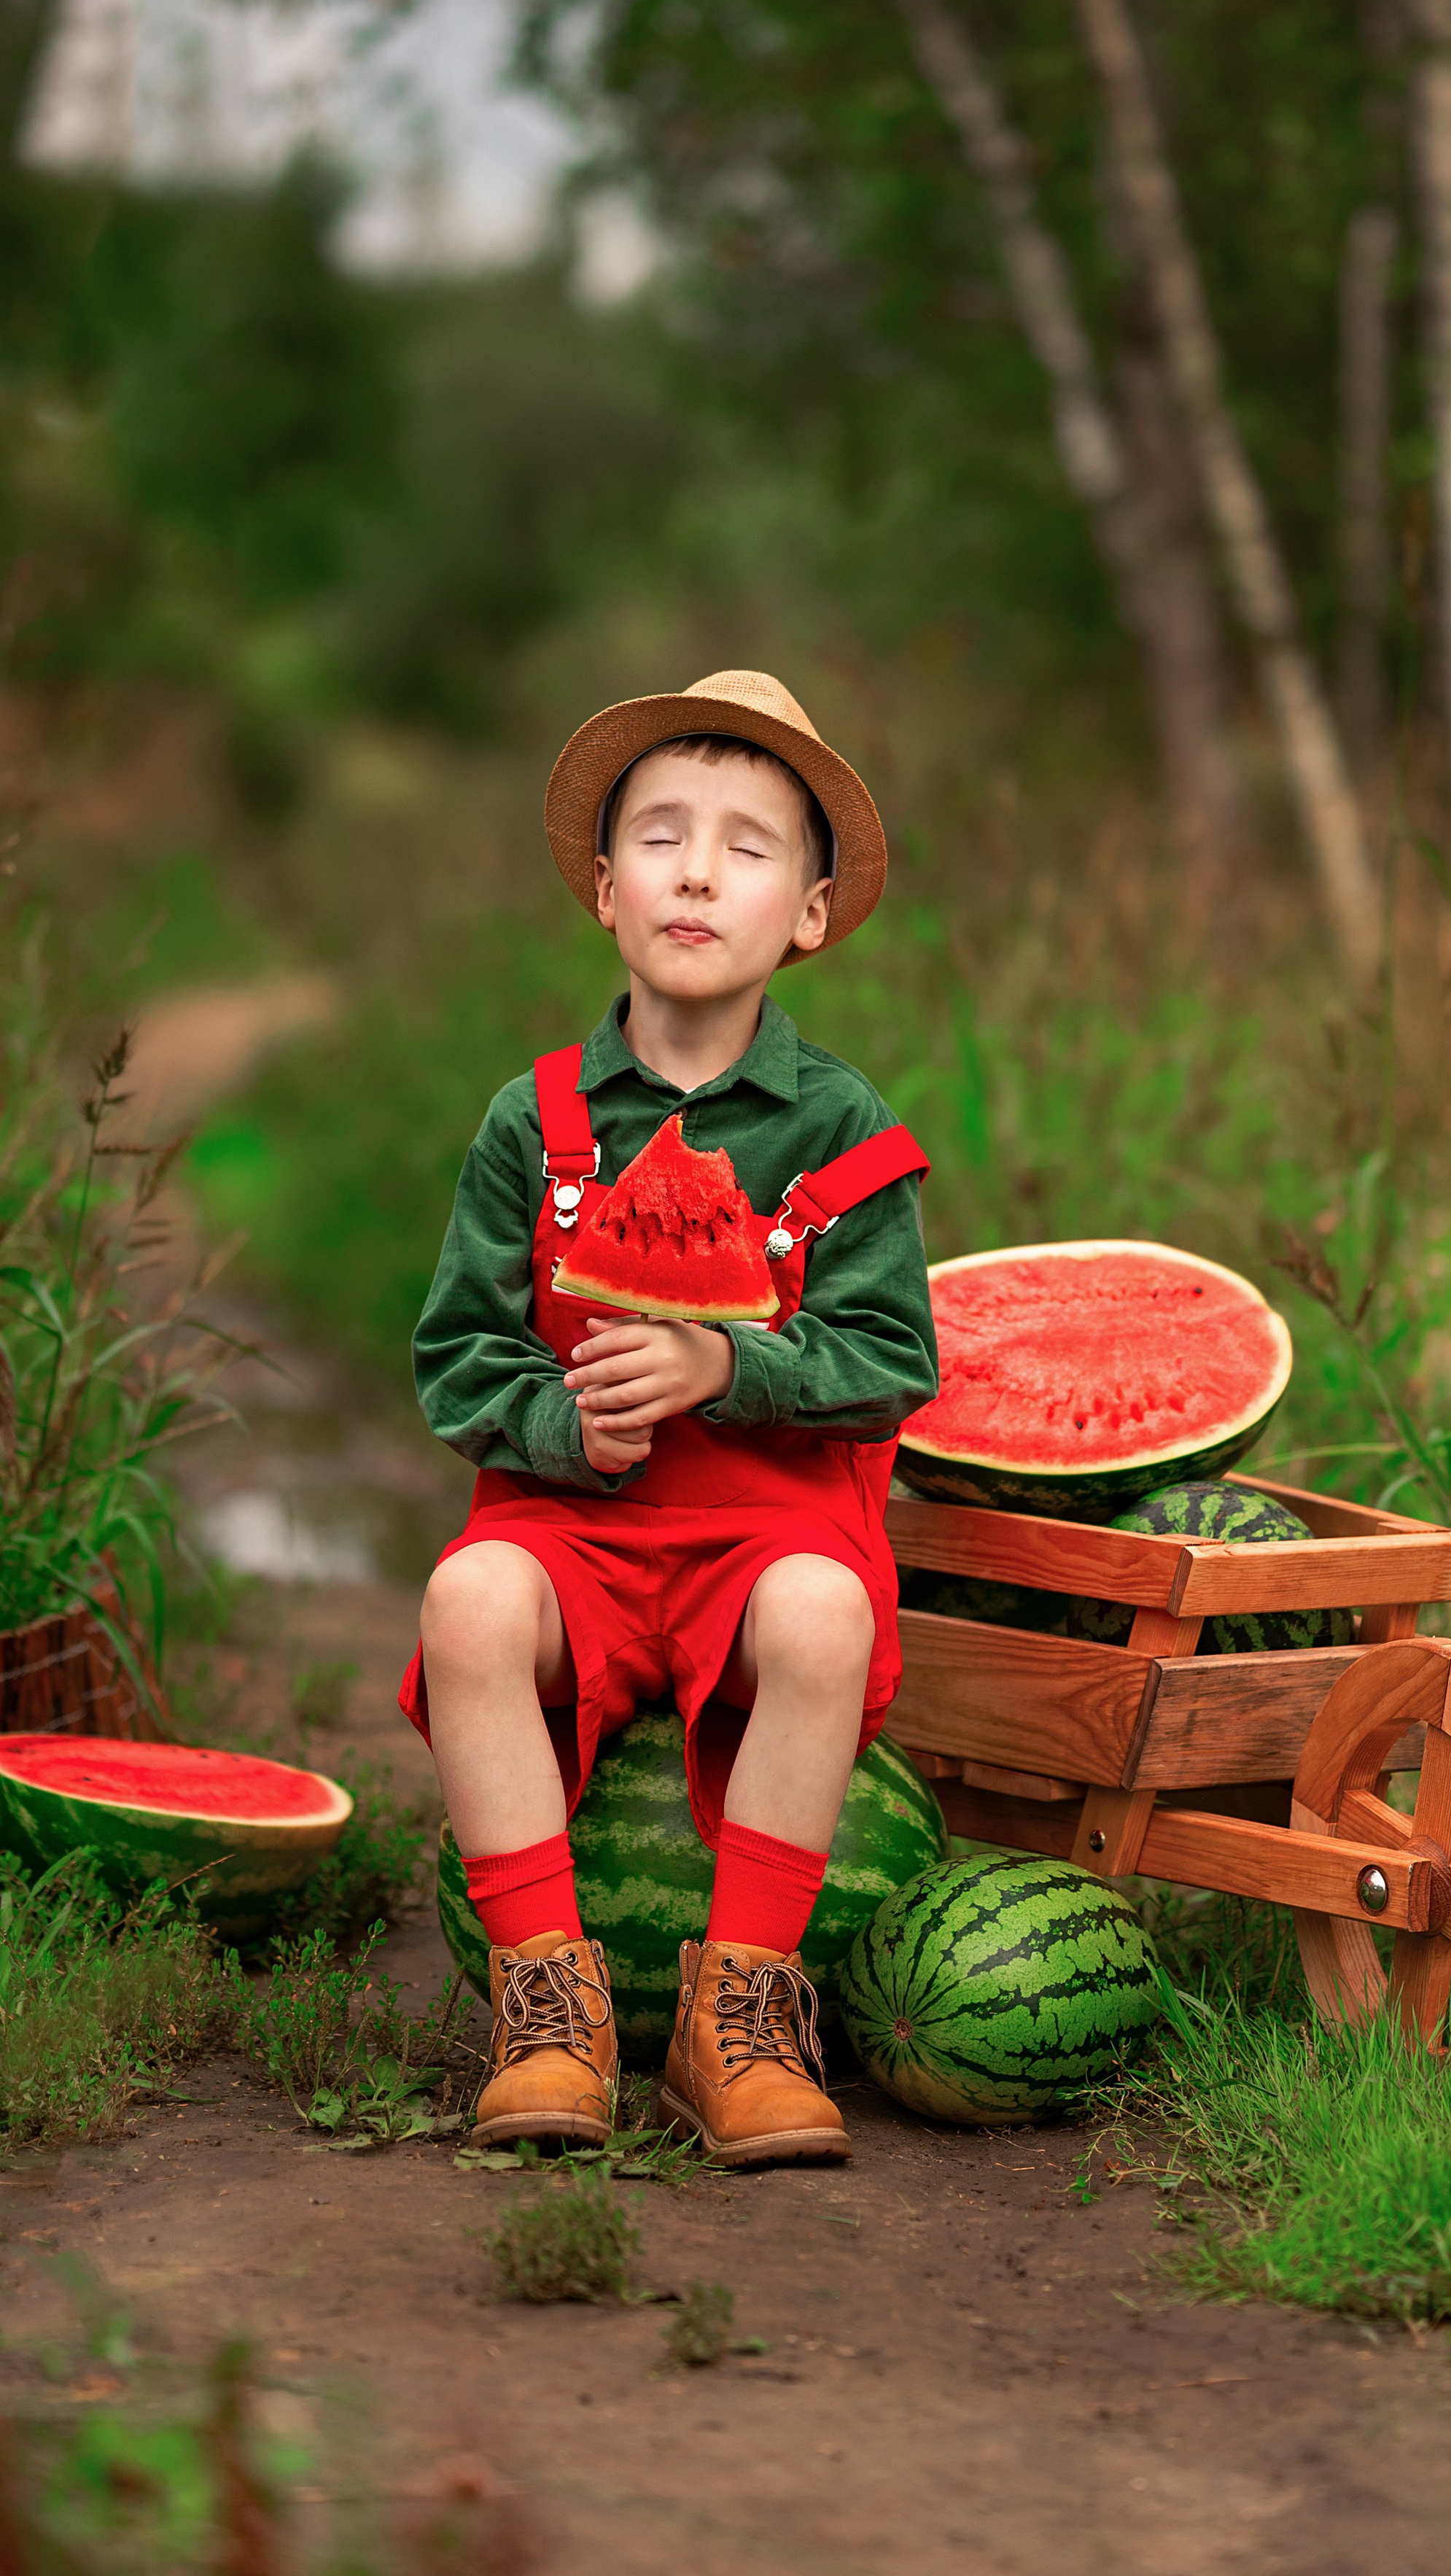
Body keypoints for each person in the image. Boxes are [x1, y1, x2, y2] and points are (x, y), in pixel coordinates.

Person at [402, 669, 937, 2166]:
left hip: (765, 1537)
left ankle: (740, 2015)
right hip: (571, 1525)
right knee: (466, 1598)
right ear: (602, 887)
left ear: (810, 914)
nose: (698, 870)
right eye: (661, 836)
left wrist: (727, 1369)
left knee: (828, 1617)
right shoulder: (537, 1120)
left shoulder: (843, 1131)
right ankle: (544, 2007)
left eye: (747, 846)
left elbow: (892, 1356)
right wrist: (563, 1426)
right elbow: (455, 1359)